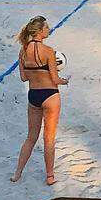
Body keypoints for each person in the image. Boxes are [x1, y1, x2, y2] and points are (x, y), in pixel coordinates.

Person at [10, 16, 68, 186]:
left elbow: (23, 78)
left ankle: (17, 173)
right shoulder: (48, 51)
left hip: (33, 95)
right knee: (49, 138)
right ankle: (50, 176)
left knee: (31, 137)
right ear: (40, 31)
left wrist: (35, 72)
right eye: (46, 27)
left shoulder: (23, 51)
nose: (48, 29)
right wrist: (65, 80)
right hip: (50, 95)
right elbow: (55, 79)